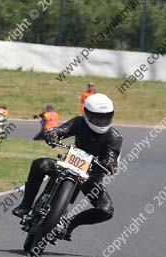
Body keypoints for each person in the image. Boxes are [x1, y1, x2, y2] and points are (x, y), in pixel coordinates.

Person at [13, 93, 122, 241]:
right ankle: (26, 205)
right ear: (87, 114)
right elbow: (63, 130)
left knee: (106, 210)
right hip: (68, 164)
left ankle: (70, 224)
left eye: (105, 117)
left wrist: (110, 162)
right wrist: (53, 134)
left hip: (90, 177)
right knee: (40, 164)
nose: (101, 121)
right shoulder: (78, 122)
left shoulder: (114, 136)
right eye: (97, 117)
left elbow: (112, 156)